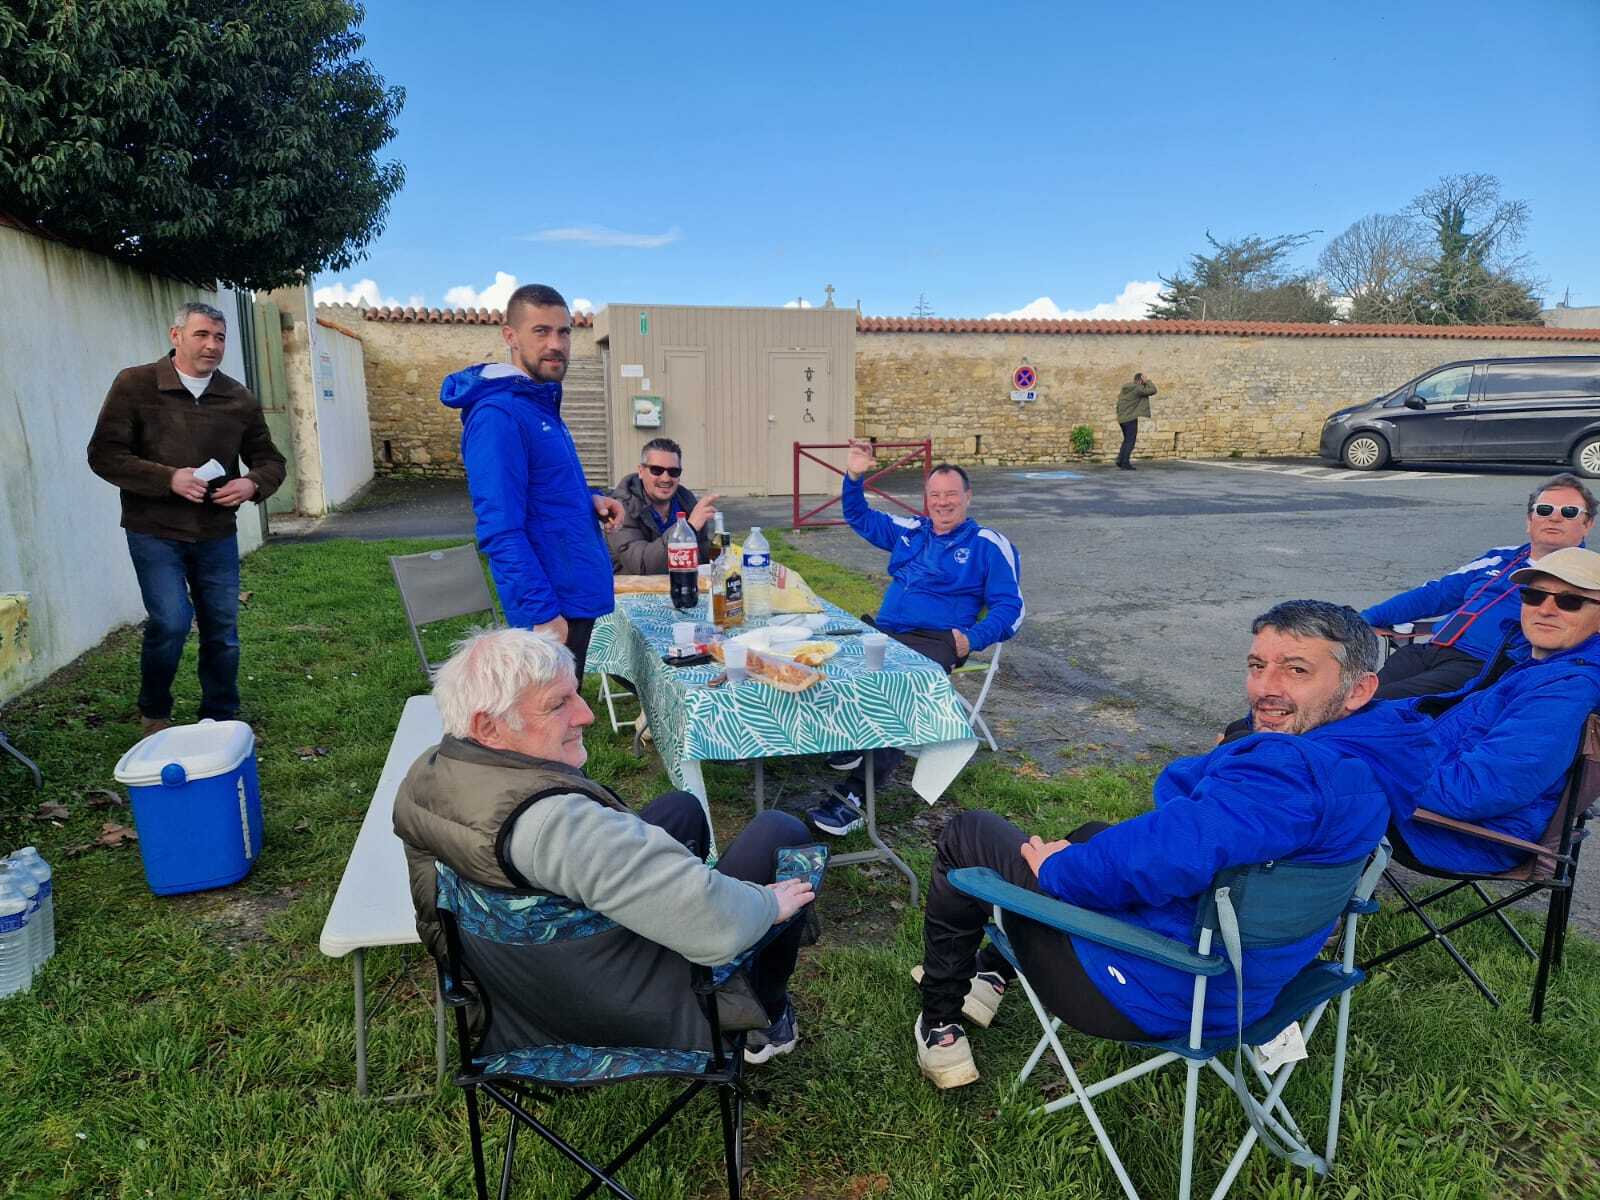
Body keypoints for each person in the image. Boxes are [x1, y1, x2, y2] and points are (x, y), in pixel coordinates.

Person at [911, 601, 1433, 1089]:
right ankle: (988, 974)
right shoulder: (1370, 760)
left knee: (969, 834)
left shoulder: (1291, 774)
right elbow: (1189, 832)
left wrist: (1056, 872)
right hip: (1247, 986)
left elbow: (1163, 854)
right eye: (1257, 666)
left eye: (1297, 670)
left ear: (1358, 689)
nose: (1266, 688)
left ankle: (940, 1025)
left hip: (1159, 989)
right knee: (1093, 835)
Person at [392, 627, 818, 1064]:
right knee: (779, 833)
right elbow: (716, 924)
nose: (585, 715)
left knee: (680, 809)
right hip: (615, 1008)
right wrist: (767, 905)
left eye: (575, 694)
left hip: (512, 990)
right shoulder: (554, 825)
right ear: (489, 725)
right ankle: (765, 1018)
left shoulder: (429, 775)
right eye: (557, 704)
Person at [86, 302, 286, 735]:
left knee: (222, 630)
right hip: (153, 530)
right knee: (171, 622)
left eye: (220, 337)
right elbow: (104, 454)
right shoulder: (135, 384)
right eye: (202, 335)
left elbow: (270, 461)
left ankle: (220, 715)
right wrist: (168, 478)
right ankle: (155, 711)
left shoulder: (238, 398)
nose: (212, 345)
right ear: (176, 336)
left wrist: (251, 483)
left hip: (215, 532)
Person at [807, 441, 1024, 837]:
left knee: (902, 688)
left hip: (936, 640)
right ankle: (852, 738)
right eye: (935, 495)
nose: (942, 503)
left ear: (968, 497)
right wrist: (853, 477)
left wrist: (972, 639)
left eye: (951, 495)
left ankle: (855, 796)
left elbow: (1011, 607)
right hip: (887, 631)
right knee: (827, 655)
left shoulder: (987, 544)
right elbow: (859, 516)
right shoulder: (912, 531)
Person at [441, 284, 624, 677]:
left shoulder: (538, 404)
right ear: (511, 336)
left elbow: (544, 488)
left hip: (573, 593)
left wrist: (590, 499)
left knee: (566, 708)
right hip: (551, 606)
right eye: (541, 331)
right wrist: (542, 614)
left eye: (564, 332)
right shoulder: (499, 415)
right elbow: (499, 529)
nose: (555, 344)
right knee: (547, 712)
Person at [1386, 546, 1600, 875]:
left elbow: (1477, 791)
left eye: (1569, 601)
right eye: (1534, 596)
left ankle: (1323, 900)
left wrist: (1379, 764)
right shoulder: (1540, 668)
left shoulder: (1565, 690)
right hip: (1436, 804)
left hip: (1463, 836)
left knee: (1317, 782)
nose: (1545, 610)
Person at [1361, 474, 1595, 699]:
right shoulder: (1499, 558)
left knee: (1370, 702)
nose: (1554, 518)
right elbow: (1436, 594)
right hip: (1431, 649)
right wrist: (1362, 620)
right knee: (1353, 692)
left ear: (1588, 525)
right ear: (1529, 521)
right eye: (1544, 510)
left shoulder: (1590, 578)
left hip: (1481, 668)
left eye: (1569, 512)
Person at [607, 437, 721, 574]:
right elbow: (642, 565)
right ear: (641, 471)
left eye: (673, 472)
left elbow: (701, 554)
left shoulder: (687, 501)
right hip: (633, 586)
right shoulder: (620, 508)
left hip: (681, 583)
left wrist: (721, 550)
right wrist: (687, 528)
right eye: (656, 470)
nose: (666, 478)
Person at [1115, 372, 1157, 470]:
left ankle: (1120, 460)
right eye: (1143, 379)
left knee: (1126, 440)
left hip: (1122, 419)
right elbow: (1153, 390)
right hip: (1130, 419)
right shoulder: (1138, 389)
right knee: (1130, 441)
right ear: (1140, 380)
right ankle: (1125, 463)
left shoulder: (1126, 388)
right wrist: (1147, 381)